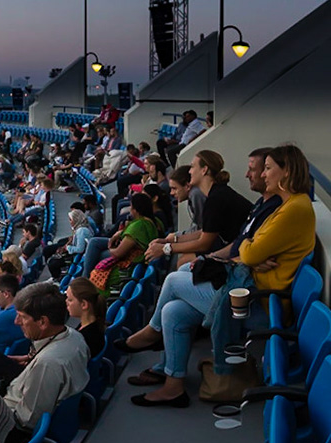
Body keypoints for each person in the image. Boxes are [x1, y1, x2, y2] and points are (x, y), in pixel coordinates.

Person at [125, 143, 318, 407]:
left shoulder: (295, 207)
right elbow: (247, 245)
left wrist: (249, 251)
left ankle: (152, 331)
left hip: (260, 302)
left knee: (174, 279)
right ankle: (173, 386)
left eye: (268, 168)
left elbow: (248, 250)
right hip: (249, 289)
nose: (262, 174)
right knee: (173, 311)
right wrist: (249, 251)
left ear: (287, 171)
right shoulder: (283, 205)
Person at [2, 283, 89, 432]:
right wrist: (30, 360)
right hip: (22, 390)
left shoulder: (46, 364)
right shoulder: (75, 336)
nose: (17, 322)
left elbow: (27, 421)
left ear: (42, 322)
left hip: (11, 422)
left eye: (22, 317)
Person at [91, 192, 162, 298]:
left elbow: (118, 253)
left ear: (136, 210)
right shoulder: (153, 222)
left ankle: (87, 286)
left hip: (129, 267)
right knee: (96, 245)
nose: (130, 210)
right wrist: (119, 233)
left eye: (131, 207)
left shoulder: (138, 227)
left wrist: (111, 248)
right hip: (138, 263)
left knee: (98, 260)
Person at [66, 278, 106, 357]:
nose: (66, 302)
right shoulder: (94, 325)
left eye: (70, 300)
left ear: (84, 304)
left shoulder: (86, 339)